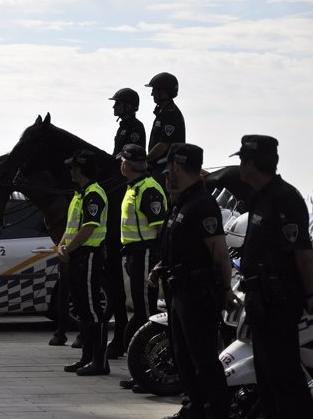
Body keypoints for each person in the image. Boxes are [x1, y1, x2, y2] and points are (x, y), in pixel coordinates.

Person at [148, 143, 239, 419]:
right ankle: (193, 408)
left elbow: (220, 253)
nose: (166, 176)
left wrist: (225, 290)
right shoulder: (181, 202)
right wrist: (160, 266)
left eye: (169, 170)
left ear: (176, 167)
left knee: (202, 360)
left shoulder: (202, 204)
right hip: (178, 291)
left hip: (198, 294)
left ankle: (215, 411)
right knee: (183, 357)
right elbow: (180, 245)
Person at [231, 135, 313, 418]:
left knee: (284, 377)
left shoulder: (285, 198)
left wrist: (310, 296)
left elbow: (303, 253)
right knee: (266, 377)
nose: (240, 166)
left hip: (279, 301)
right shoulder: (260, 197)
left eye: (242, 160)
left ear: (253, 163)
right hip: (259, 300)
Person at [115, 144, 167, 390]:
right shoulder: (134, 187)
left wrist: (158, 261)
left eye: (122, 160)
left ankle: (150, 374)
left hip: (146, 252)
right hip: (135, 254)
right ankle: (142, 372)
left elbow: (159, 230)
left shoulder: (148, 189)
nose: (120, 164)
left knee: (147, 312)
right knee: (139, 309)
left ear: (128, 164)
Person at [59, 150, 110, 376]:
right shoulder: (80, 194)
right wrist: (61, 246)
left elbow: (88, 228)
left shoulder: (94, 194)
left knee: (92, 310)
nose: (69, 171)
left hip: (89, 255)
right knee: (82, 309)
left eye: (71, 168)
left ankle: (100, 362)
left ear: (79, 169)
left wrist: (67, 249)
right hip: (77, 256)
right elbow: (71, 227)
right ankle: (87, 358)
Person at [145, 72, 185, 186]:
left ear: (163, 92)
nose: (152, 93)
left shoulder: (170, 114)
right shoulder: (163, 112)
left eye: (154, 90)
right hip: (158, 164)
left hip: (166, 166)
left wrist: (145, 159)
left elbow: (163, 145)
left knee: (152, 188)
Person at [110, 88, 146, 157]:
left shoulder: (135, 126)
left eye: (118, 103)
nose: (114, 106)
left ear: (128, 106)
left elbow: (131, 155)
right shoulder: (123, 126)